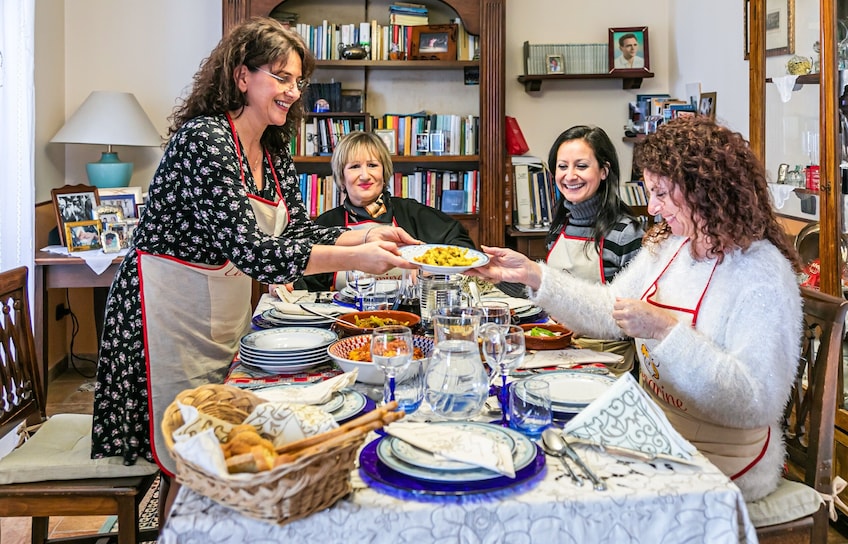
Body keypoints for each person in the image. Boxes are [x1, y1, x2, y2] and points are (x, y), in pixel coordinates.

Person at [90, 17, 417, 499]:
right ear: (243, 77)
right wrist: (359, 258)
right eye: (281, 77)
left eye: (297, 80)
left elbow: (298, 231)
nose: (292, 90)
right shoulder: (205, 139)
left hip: (217, 310)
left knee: (221, 429)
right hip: (162, 312)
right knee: (187, 445)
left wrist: (365, 230)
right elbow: (255, 252)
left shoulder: (272, 147)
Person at [470, 116, 802, 502]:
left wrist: (666, 331)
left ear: (702, 189)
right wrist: (534, 276)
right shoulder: (672, 247)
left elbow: (756, 402)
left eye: (661, 193)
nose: (652, 207)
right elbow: (608, 308)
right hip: (656, 428)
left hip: (725, 457)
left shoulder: (761, 272)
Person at [293, 130, 491, 292]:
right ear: (341, 177)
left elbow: (462, 248)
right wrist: (286, 284)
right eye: (354, 166)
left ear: (384, 172)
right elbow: (303, 278)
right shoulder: (325, 224)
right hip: (345, 319)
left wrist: (429, 271)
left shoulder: (411, 212)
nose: (365, 175)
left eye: (372, 165)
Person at [544, 125, 645, 373]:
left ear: (604, 171)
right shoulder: (559, 227)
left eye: (581, 166)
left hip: (608, 364)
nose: (569, 176)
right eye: (562, 166)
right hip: (557, 353)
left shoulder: (625, 233)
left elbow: (635, 316)